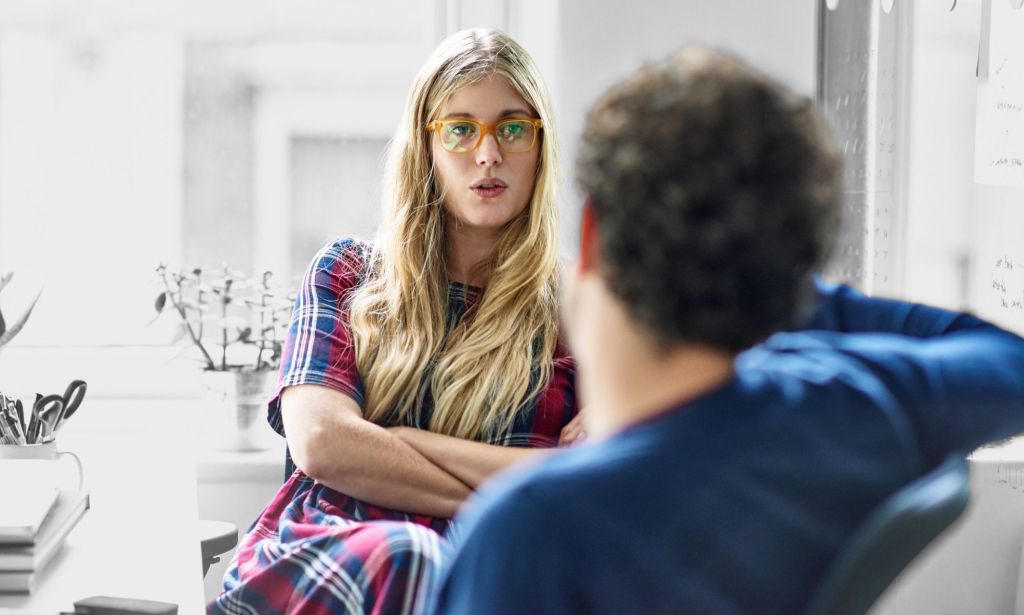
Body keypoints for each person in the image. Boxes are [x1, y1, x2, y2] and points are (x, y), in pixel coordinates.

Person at [431, 47, 1024, 614]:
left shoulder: (531, 535)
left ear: (591, 239)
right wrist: (765, 278)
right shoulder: (858, 410)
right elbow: (1008, 363)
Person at [208, 28, 580, 615]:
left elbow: (591, 486)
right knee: (412, 557)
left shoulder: (580, 309)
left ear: (540, 146)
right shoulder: (347, 273)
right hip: (331, 557)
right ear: (425, 147)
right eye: (461, 129)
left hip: (492, 573)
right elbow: (324, 443)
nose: (488, 155)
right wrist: (521, 484)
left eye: (513, 128)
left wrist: (399, 445)